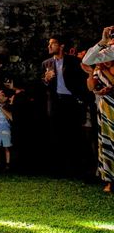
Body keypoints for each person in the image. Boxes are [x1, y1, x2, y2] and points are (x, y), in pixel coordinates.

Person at [42, 34, 87, 176]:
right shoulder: (46, 63)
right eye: (48, 44)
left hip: (71, 101)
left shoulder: (74, 61)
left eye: (52, 43)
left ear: (61, 46)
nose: (49, 46)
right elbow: (43, 83)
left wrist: (80, 98)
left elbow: (81, 81)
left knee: (73, 134)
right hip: (55, 102)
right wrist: (46, 80)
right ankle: (58, 169)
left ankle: (76, 168)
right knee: (56, 135)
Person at [83, 26, 114, 192]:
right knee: (107, 143)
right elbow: (87, 60)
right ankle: (110, 180)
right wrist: (102, 41)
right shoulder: (106, 55)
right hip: (107, 107)